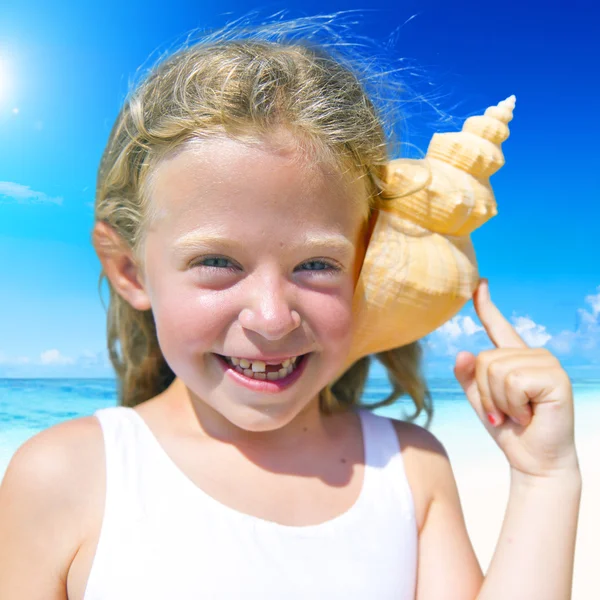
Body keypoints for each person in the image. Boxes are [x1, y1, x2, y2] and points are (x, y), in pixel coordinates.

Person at [0, 16, 581, 600]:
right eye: (218, 262)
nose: (273, 318)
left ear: (366, 265)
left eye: (317, 265)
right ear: (129, 270)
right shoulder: (69, 478)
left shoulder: (409, 471)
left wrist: (545, 479)